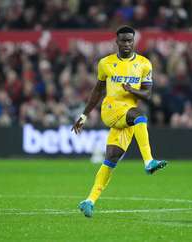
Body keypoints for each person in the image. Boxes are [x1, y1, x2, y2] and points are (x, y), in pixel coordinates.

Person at [71, 26, 167, 218]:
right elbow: (97, 91)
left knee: (111, 159)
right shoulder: (106, 63)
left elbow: (147, 94)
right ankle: (149, 161)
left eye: (130, 40)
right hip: (111, 110)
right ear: (116, 42)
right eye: (123, 41)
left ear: (134, 41)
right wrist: (84, 115)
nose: (127, 44)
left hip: (127, 116)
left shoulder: (144, 64)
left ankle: (89, 201)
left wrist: (131, 89)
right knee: (140, 116)